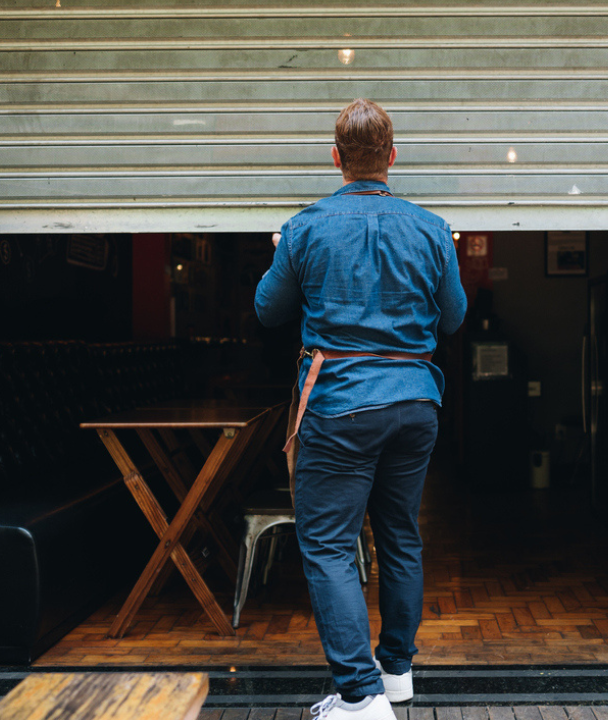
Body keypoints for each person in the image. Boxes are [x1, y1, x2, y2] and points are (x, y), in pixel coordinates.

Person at [254, 99, 468, 720]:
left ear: (336, 158)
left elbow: (269, 312)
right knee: (400, 536)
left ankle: (360, 697)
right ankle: (396, 672)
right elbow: (452, 318)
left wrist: (280, 252)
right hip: (415, 404)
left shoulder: (305, 227)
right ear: (393, 157)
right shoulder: (431, 229)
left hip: (340, 404)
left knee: (326, 546)